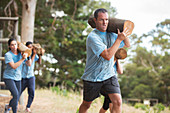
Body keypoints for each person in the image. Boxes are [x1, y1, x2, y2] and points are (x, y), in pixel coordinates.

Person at [78, 8, 130, 113]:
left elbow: (127, 45)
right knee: (87, 104)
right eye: (101, 20)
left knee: (118, 101)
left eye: (106, 19)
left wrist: (124, 30)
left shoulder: (111, 34)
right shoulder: (93, 37)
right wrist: (119, 39)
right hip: (93, 77)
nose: (104, 22)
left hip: (109, 75)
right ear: (95, 21)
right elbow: (107, 55)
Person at [3, 38, 31, 113]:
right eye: (12, 45)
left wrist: (28, 55)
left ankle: (8, 106)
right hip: (8, 77)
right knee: (15, 95)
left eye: (15, 44)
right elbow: (14, 66)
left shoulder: (20, 53)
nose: (14, 46)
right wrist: (22, 59)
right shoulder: (8, 55)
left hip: (18, 78)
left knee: (17, 96)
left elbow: (29, 64)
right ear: (9, 46)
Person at [20, 41, 41, 112]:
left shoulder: (33, 55)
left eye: (31, 47)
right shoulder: (24, 55)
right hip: (23, 77)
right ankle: (11, 105)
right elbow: (29, 63)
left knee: (31, 92)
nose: (30, 49)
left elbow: (39, 62)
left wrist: (39, 53)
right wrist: (34, 54)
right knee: (18, 92)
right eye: (28, 47)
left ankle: (28, 107)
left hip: (31, 76)